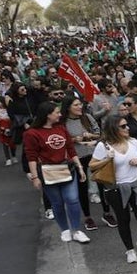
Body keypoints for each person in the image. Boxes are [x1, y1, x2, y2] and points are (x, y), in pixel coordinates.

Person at [91, 113, 137, 263]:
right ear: (114, 128)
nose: (128, 128)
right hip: (115, 188)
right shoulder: (103, 146)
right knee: (123, 219)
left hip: (136, 184)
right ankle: (130, 250)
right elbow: (92, 165)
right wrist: (107, 158)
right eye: (123, 126)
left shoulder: (133, 142)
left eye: (127, 125)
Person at [23, 102, 88, 243]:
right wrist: (35, 177)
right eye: (57, 112)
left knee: (72, 199)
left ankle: (76, 230)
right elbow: (31, 157)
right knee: (57, 203)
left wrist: (79, 166)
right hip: (47, 172)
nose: (60, 114)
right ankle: (64, 229)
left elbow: (71, 149)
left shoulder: (61, 128)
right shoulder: (32, 133)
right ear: (47, 115)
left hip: (67, 169)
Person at [62, 96, 104, 230]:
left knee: (102, 183)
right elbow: (62, 140)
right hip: (77, 157)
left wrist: (90, 136)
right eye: (76, 105)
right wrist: (74, 139)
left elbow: (99, 134)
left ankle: (107, 212)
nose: (80, 107)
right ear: (68, 107)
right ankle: (87, 217)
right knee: (82, 187)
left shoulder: (87, 117)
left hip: (94, 154)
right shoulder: (63, 122)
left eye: (80, 104)